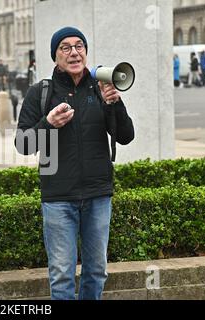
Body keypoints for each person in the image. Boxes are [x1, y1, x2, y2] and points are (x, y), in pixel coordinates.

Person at [15, 26, 135, 300]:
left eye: (79, 46)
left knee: (96, 271)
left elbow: (126, 136)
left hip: (98, 194)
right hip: (58, 198)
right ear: (55, 56)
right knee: (61, 275)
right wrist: (48, 124)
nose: (74, 52)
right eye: (65, 48)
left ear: (86, 52)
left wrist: (114, 104)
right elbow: (22, 144)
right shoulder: (40, 93)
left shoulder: (101, 88)